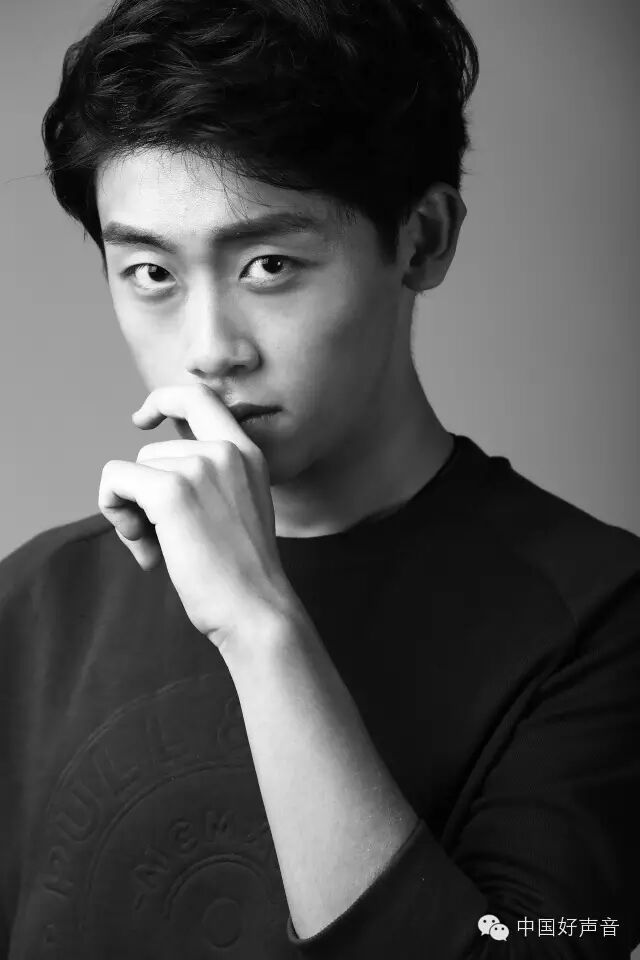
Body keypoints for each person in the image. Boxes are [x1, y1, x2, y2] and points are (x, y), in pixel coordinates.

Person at [1, 0, 638, 956]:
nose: (210, 350)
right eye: (151, 273)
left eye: (268, 264)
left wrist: (259, 626)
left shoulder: (603, 619)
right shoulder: (34, 601)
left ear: (422, 239)